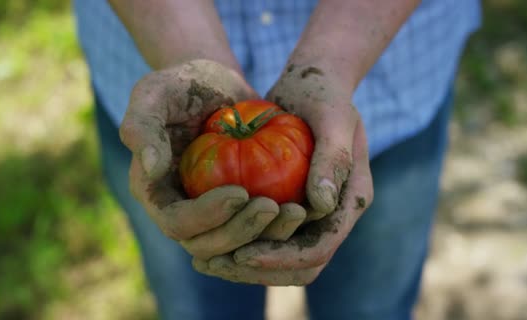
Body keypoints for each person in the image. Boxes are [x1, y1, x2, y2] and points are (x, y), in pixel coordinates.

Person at [73, 1, 481, 319]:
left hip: (389, 84)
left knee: (371, 311)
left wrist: (332, 64)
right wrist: (188, 57)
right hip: (162, 93)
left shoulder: (216, 142)